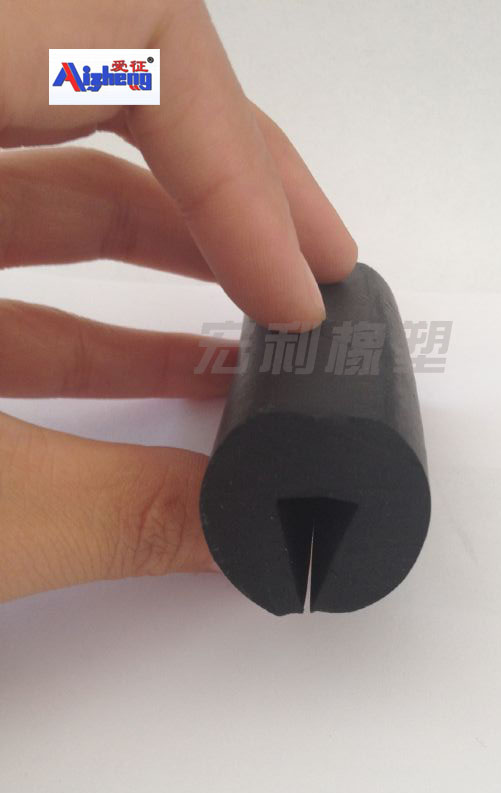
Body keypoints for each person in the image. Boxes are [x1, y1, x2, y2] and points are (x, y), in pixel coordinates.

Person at [0, 0, 358, 603]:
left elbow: (125, 73)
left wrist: (89, 72)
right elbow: (133, 74)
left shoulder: (113, 70)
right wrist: (158, 522)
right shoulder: (122, 70)